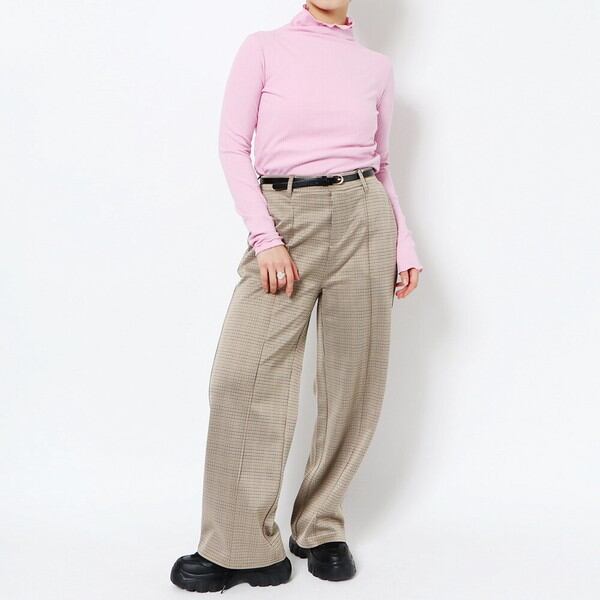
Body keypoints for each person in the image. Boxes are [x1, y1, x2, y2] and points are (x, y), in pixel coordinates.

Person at [170, 1, 423, 592]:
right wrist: (266, 238)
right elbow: (233, 147)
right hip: (285, 218)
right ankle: (241, 545)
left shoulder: (376, 68)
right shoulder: (263, 47)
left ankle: (320, 526)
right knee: (242, 377)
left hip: (365, 217)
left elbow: (383, 164)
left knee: (353, 381)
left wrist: (403, 242)